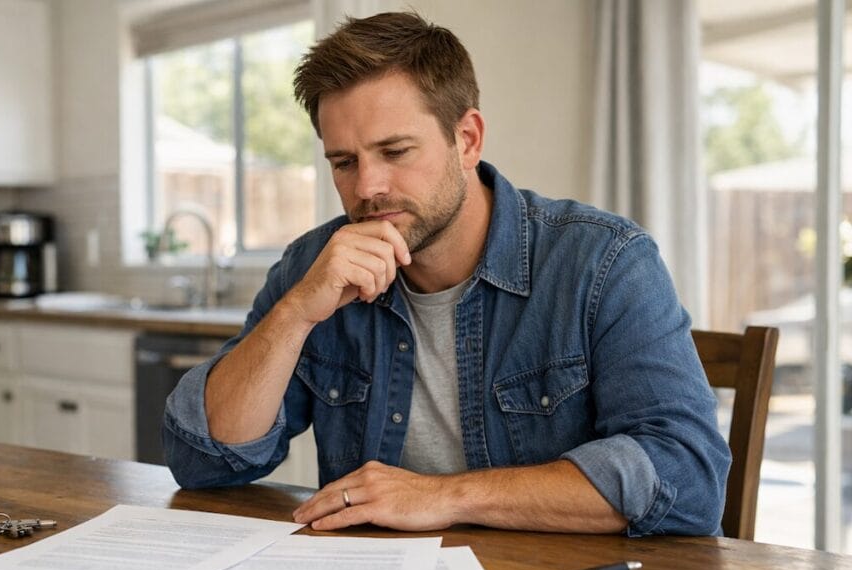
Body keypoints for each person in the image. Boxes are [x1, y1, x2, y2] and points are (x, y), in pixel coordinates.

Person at [162, 11, 730, 537]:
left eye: (395, 151)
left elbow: (687, 477)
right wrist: (294, 313)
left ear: (467, 139)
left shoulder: (603, 262)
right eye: (344, 162)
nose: (367, 187)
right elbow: (204, 460)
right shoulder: (314, 266)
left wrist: (446, 497)